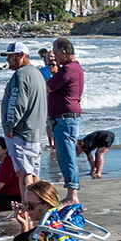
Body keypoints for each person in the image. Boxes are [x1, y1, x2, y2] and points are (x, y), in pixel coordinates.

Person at [0, 41, 47, 203]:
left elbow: (17, 103)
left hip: (22, 131)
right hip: (35, 131)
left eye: (10, 57)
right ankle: (40, 206)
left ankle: (28, 208)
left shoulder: (21, 76)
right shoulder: (37, 73)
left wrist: (8, 126)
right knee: (33, 172)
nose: (8, 61)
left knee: (24, 173)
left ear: (21, 56)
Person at [46, 37, 85, 206]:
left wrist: (47, 69)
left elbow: (48, 86)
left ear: (63, 51)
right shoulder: (75, 68)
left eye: (55, 52)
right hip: (67, 116)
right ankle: (72, 192)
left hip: (65, 118)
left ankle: (72, 194)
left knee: (66, 155)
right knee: (66, 154)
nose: (54, 56)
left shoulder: (68, 69)